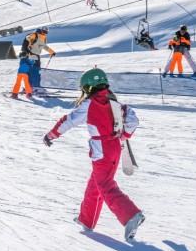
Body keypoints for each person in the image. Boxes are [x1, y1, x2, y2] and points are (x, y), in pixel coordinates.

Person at [42, 68, 144, 241]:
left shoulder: (90, 103)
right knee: (96, 183)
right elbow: (133, 119)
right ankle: (86, 220)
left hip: (102, 149)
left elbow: (69, 120)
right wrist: (123, 136)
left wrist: (51, 134)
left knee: (104, 184)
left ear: (88, 87)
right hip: (114, 146)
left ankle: (130, 215)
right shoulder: (114, 102)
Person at [21, 27, 56, 95]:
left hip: (32, 56)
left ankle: (30, 86)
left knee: (30, 71)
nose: (45, 33)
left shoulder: (37, 36)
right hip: (35, 56)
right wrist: (52, 52)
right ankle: (36, 86)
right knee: (36, 71)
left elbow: (29, 37)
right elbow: (46, 47)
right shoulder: (41, 39)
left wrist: (28, 37)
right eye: (44, 32)